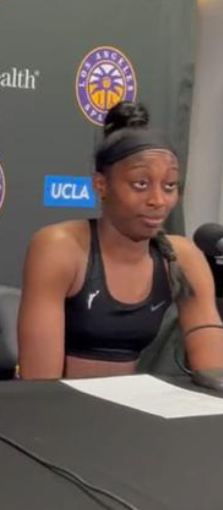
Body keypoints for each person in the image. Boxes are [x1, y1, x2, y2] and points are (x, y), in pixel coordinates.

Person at [18, 101, 223, 379]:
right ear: (101, 185)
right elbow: (39, 386)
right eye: (140, 184)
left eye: (169, 186)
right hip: (60, 410)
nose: (158, 201)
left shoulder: (182, 257)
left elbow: (215, 375)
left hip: (131, 410)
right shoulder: (59, 247)